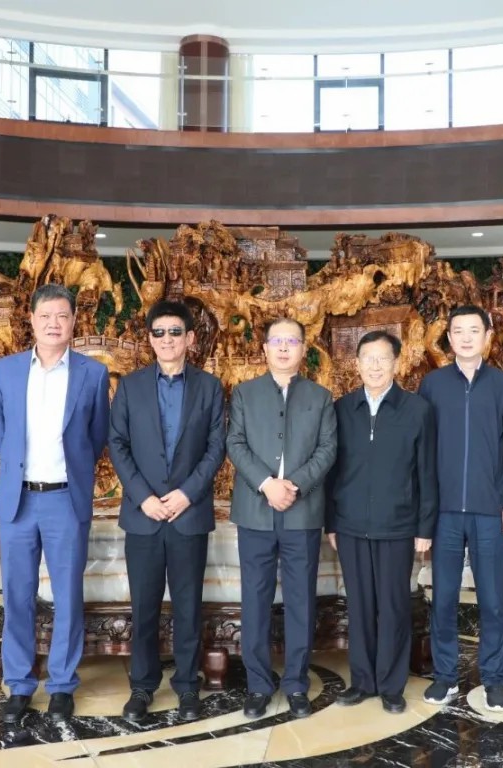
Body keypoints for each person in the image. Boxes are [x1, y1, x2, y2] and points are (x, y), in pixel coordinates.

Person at [0, 283, 111, 725]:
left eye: (62, 316)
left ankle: (61, 685)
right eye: (45, 316)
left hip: (65, 499)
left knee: (68, 596)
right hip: (18, 500)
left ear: (74, 321)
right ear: (32, 320)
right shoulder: (5, 370)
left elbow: (96, 437)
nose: (53, 323)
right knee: (17, 596)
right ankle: (20, 684)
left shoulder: (93, 374)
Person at [108, 300, 226, 723]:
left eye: (175, 332)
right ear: (150, 338)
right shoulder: (131, 387)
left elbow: (216, 448)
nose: (167, 339)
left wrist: (187, 494)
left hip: (187, 515)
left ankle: (188, 685)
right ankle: (142, 686)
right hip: (143, 515)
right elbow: (117, 443)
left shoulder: (209, 387)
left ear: (190, 338)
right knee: (144, 607)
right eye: (158, 332)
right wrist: (143, 496)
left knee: (188, 606)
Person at [417, 305, 503, 713]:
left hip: (489, 512)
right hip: (445, 513)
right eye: (458, 331)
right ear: (448, 338)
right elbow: (421, 452)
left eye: (473, 330)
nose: (465, 338)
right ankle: (445, 676)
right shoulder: (432, 385)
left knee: (492, 601)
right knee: (443, 598)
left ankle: (494, 680)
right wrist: (424, 511)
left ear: (487, 336)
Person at [226, 318, 337, 720]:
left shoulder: (321, 397)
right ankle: (258, 685)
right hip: (255, 511)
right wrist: (267, 484)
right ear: (265, 349)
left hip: (301, 512)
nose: (284, 347)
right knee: (254, 600)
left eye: (292, 341)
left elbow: (327, 449)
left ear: (304, 348)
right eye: (277, 341)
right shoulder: (245, 393)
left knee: (300, 601)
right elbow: (235, 443)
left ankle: (296, 684)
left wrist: (295, 485)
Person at [325, 330, 437, 715]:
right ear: (356, 364)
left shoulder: (416, 410)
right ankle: (362, 681)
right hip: (350, 525)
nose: (375, 366)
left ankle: (391, 685)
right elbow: (332, 473)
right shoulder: (342, 409)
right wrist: (332, 523)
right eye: (368, 358)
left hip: (398, 525)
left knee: (393, 607)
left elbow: (427, 473)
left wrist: (424, 528)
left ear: (396, 363)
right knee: (358, 606)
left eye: (383, 358)